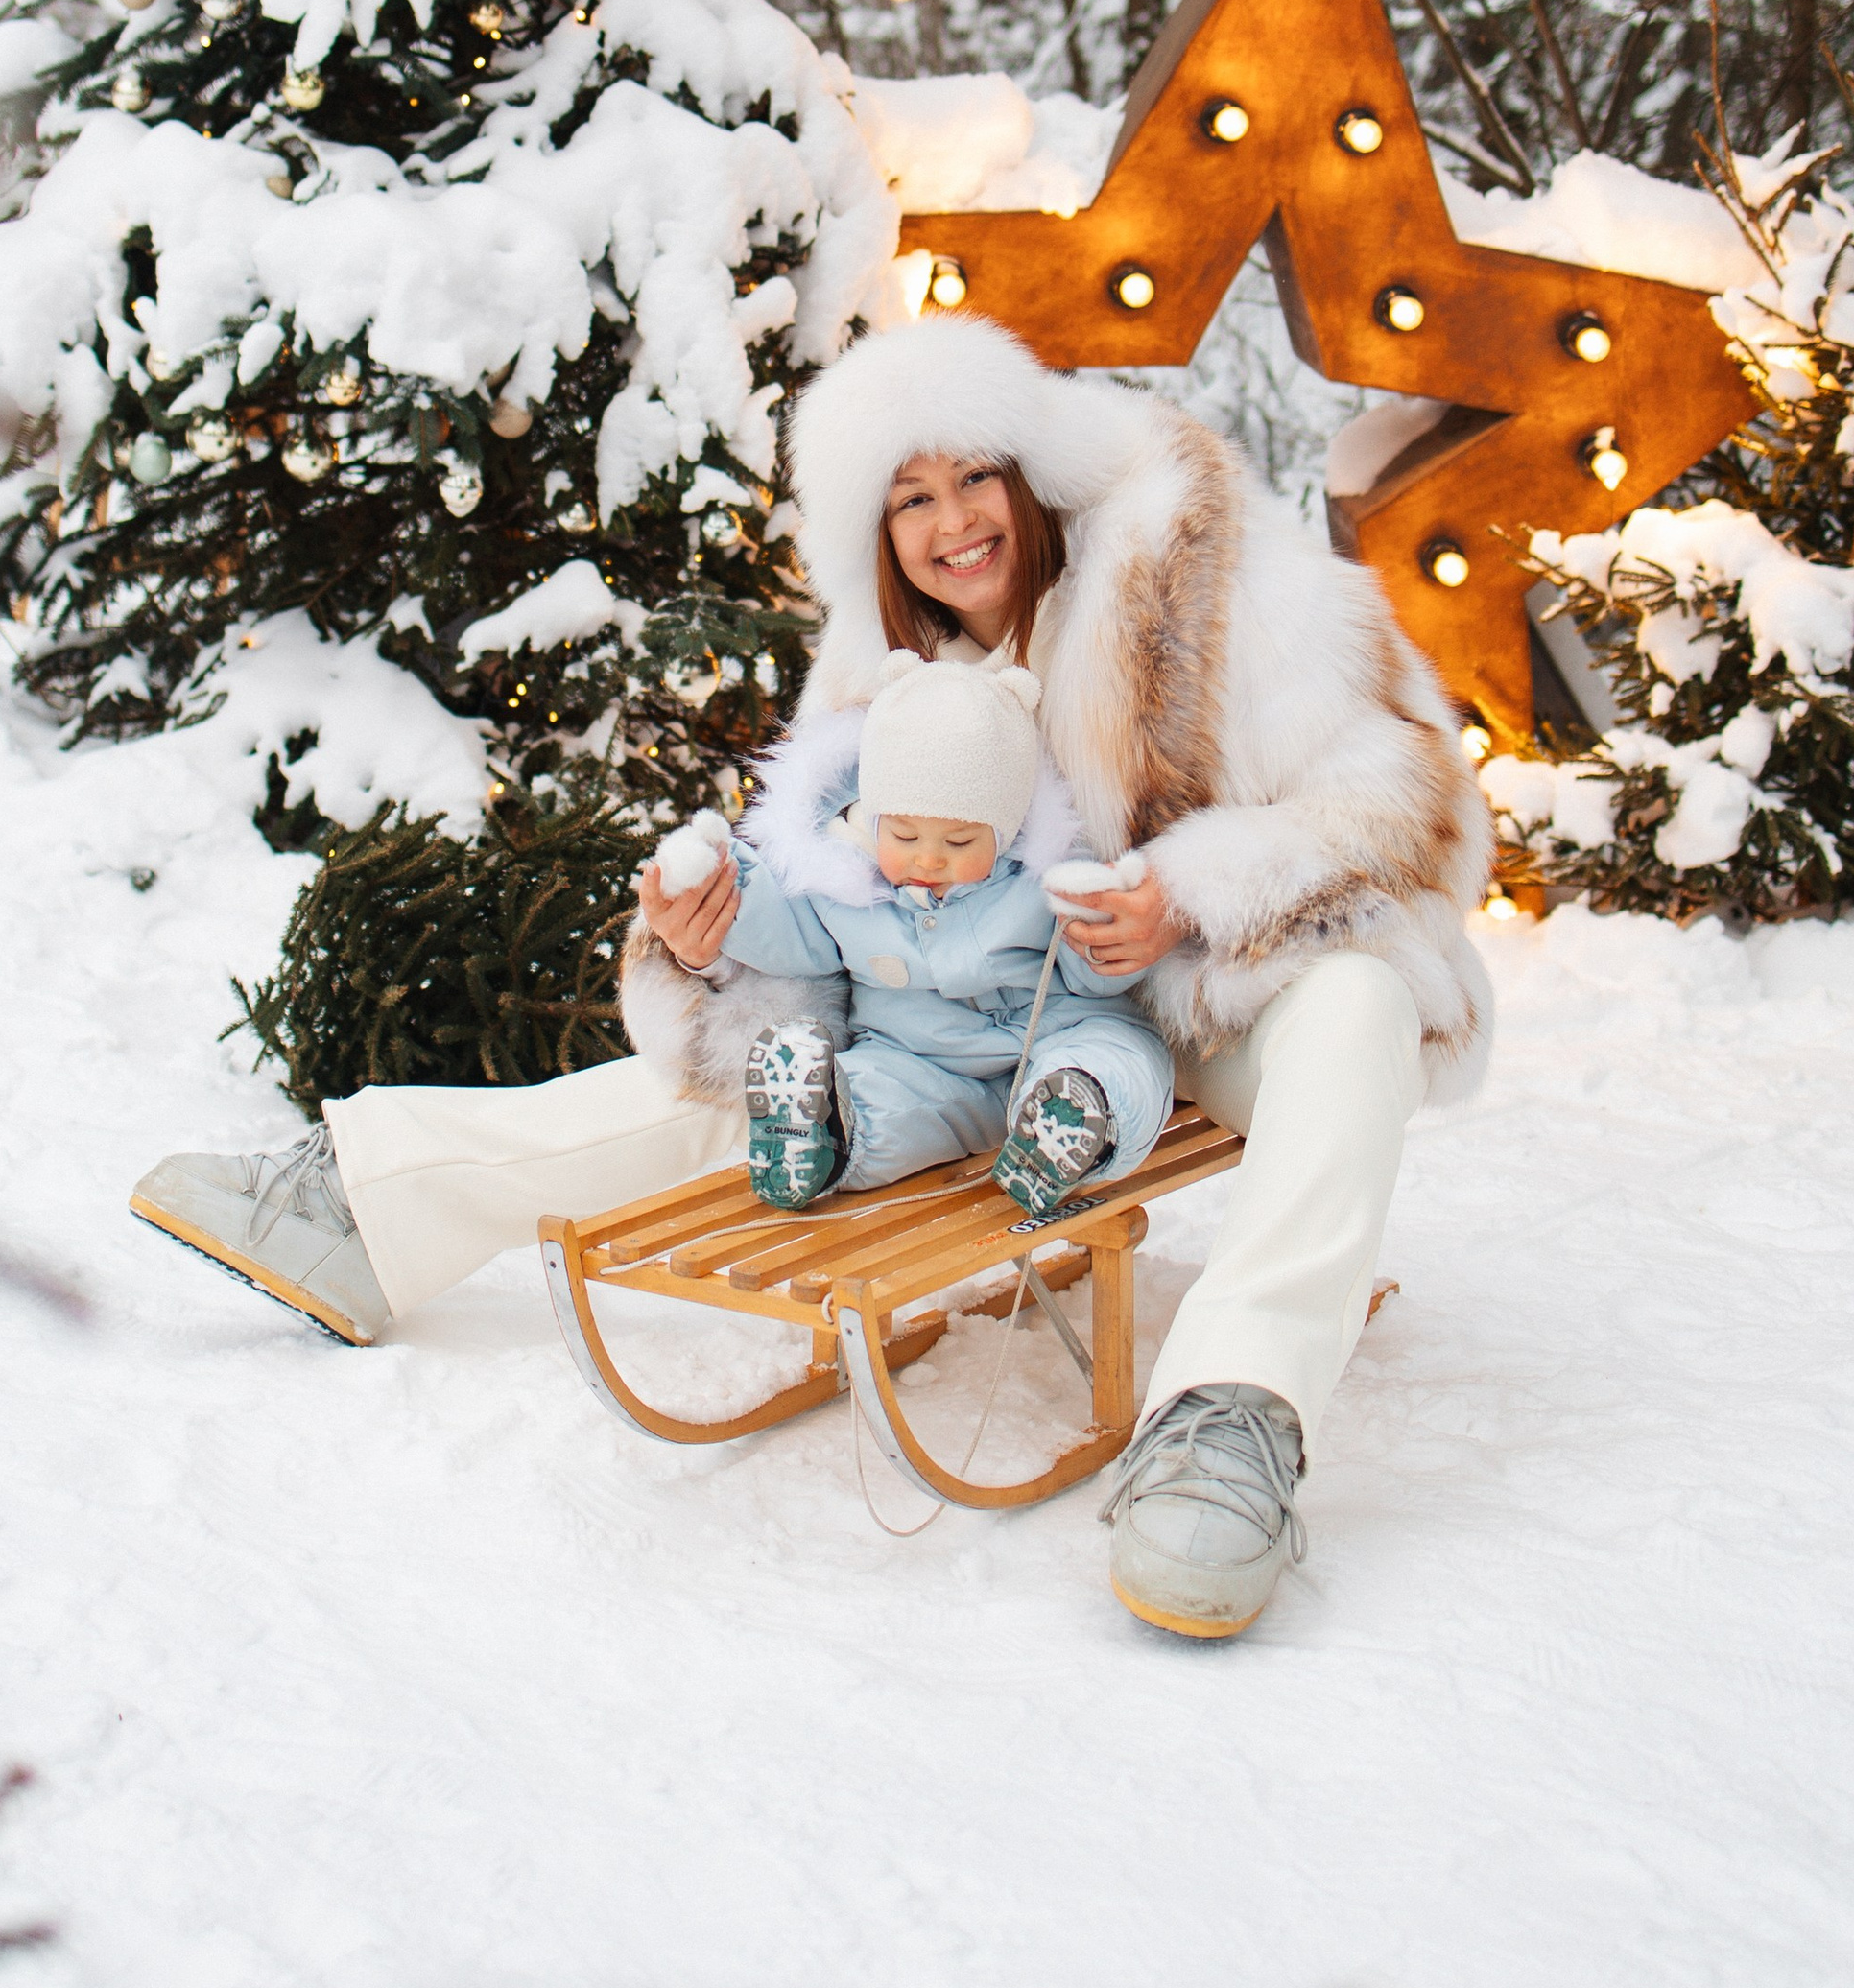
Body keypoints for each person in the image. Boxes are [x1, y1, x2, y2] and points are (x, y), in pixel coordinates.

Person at [137, 313, 1491, 1641]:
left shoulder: (1190, 563)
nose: (955, 520)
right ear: (874, 532)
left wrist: (1184, 891)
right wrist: (709, 934)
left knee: (1359, 1004)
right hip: (970, 1030)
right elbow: (825, 907)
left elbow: (1407, 797)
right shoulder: (879, 665)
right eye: (911, 498)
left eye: (973, 475)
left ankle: (1227, 1425)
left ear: (1028, 471)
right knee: (780, 1073)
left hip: (1191, 1003)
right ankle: (373, 1206)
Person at [660, 651, 1176, 1218]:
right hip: (921, 1056)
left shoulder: (1040, 875)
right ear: (875, 817)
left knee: (1121, 1054)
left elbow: (1094, 980)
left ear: (1006, 829)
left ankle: (1079, 1118)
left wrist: (1098, 922)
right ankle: (822, 1131)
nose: (929, 859)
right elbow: (792, 938)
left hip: (1056, 1031)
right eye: (904, 836)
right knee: (884, 1092)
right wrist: (730, 889)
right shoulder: (845, 882)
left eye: (959, 843)